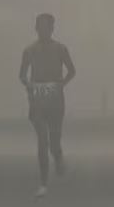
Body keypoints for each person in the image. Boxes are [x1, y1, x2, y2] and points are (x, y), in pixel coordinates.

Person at [19, 13, 76, 198]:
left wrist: (61, 84)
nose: (43, 31)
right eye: (40, 27)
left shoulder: (61, 49)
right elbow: (22, 75)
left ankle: (58, 157)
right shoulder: (29, 51)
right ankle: (43, 183)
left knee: (54, 142)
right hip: (37, 100)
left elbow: (72, 71)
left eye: (47, 27)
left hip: (56, 100)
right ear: (36, 29)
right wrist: (29, 85)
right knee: (42, 141)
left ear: (52, 29)